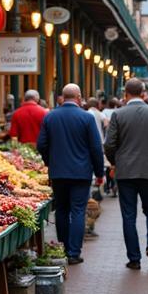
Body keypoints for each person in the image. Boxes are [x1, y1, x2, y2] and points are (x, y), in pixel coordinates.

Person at [104, 79, 148, 269]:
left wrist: (116, 162)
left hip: (125, 172)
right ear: (143, 93)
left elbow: (109, 144)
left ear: (125, 94)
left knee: (128, 215)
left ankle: (134, 259)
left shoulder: (118, 114)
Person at [36, 84, 104, 265]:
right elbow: (96, 148)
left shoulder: (50, 116)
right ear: (79, 97)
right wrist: (99, 172)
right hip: (81, 173)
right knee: (78, 211)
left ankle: (64, 248)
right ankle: (74, 252)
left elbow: (41, 144)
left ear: (62, 98)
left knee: (62, 210)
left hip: (58, 173)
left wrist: (50, 162)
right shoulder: (87, 118)